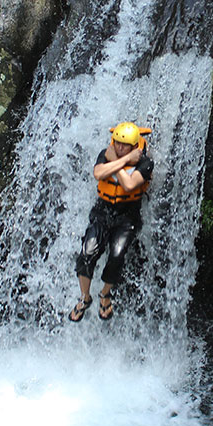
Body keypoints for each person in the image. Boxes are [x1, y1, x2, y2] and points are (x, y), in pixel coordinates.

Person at [68, 122, 153, 321]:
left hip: (127, 216)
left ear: (134, 147)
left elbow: (129, 184)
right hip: (102, 211)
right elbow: (98, 173)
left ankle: (105, 294)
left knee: (116, 255)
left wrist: (116, 161)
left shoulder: (145, 163)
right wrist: (120, 160)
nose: (119, 148)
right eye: (116, 144)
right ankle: (84, 297)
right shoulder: (104, 153)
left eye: (124, 146)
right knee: (87, 253)